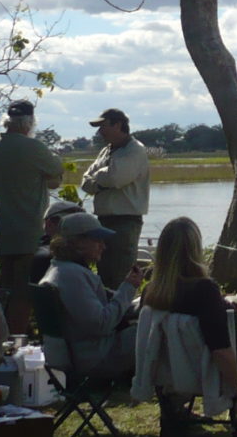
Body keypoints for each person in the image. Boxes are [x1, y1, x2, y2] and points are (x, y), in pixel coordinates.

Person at [138, 217, 237, 437]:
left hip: (169, 369)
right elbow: (221, 350)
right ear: (195, 250)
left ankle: (171, 422)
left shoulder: (152, 293)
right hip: (204, 367)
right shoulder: (204, 290)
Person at [0, 98, 64, 334]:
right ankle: (16, 340)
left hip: (4, 229)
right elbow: (56, 170)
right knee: (23, 290)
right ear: (30, 122)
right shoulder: (32, 147)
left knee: (5, 286)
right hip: (30, 230)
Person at [39, 211, 144, 377]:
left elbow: (104, 306)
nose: (104, 245)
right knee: (155, 327)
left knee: (149, 320)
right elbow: (102, 324)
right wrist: (129, 287)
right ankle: (170, 387)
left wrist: (140, 303)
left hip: (83, 354)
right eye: (97, 240)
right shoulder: (72, 276)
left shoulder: (61, 269)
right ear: (77, 243)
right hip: (95, 359)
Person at [81, 108, 151, 290]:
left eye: (103, 126)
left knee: (120, 276)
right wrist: (101, 180)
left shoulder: (135, 150)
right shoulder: (106, 151)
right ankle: (107, 314)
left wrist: (98, 179)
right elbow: (85, 181)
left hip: (125, 222)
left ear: (118, 125)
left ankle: (122, 315)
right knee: (104, 274)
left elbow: (115, 178)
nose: (99, 132)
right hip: (103, 221)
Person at [30, 198, 83, 285]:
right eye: (69, 223)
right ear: (49, 224)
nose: (78, 229)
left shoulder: (36, 251)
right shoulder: (54, 257)